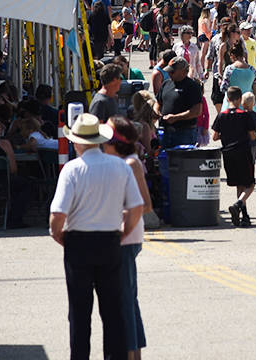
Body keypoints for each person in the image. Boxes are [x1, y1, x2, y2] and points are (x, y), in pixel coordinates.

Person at [49, 113, 145, 360]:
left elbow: (57, 215)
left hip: (79, 242)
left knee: (79, 313)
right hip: (110, 241)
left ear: (78, 142)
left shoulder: (71, 169)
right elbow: (136, 207)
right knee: (113, 310)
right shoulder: (120, 167)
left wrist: (60, 236)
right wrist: (122, 233)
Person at [104, 116, 151, 360]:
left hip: (127, 237)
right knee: (127, 300)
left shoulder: (130, 163)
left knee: (124, 300)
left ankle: (131, 353)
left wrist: (117, 215)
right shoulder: (119, 161)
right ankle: (134, 352)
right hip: (121, 236)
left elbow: (145, 204)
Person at [212, 86, 256, 227]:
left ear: (227, 98)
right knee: (250, 184)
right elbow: (252, 135)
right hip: (243, 151)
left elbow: (215, 136)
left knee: (239, 184)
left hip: (228, 153)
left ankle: (243, 215)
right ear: (240, 99)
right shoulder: (244, 115)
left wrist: (226, 135)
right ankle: (239, 204)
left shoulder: (222, 115)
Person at [156, 58, 204, 149]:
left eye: (172, 71)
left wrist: (176, 118)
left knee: (183, 161)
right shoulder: (166, 84)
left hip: (184, 133)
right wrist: (156, 112)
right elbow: (158, 102)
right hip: (165, 131)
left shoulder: (193, 86)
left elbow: (197, 111)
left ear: (183, 71)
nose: (169, 74)